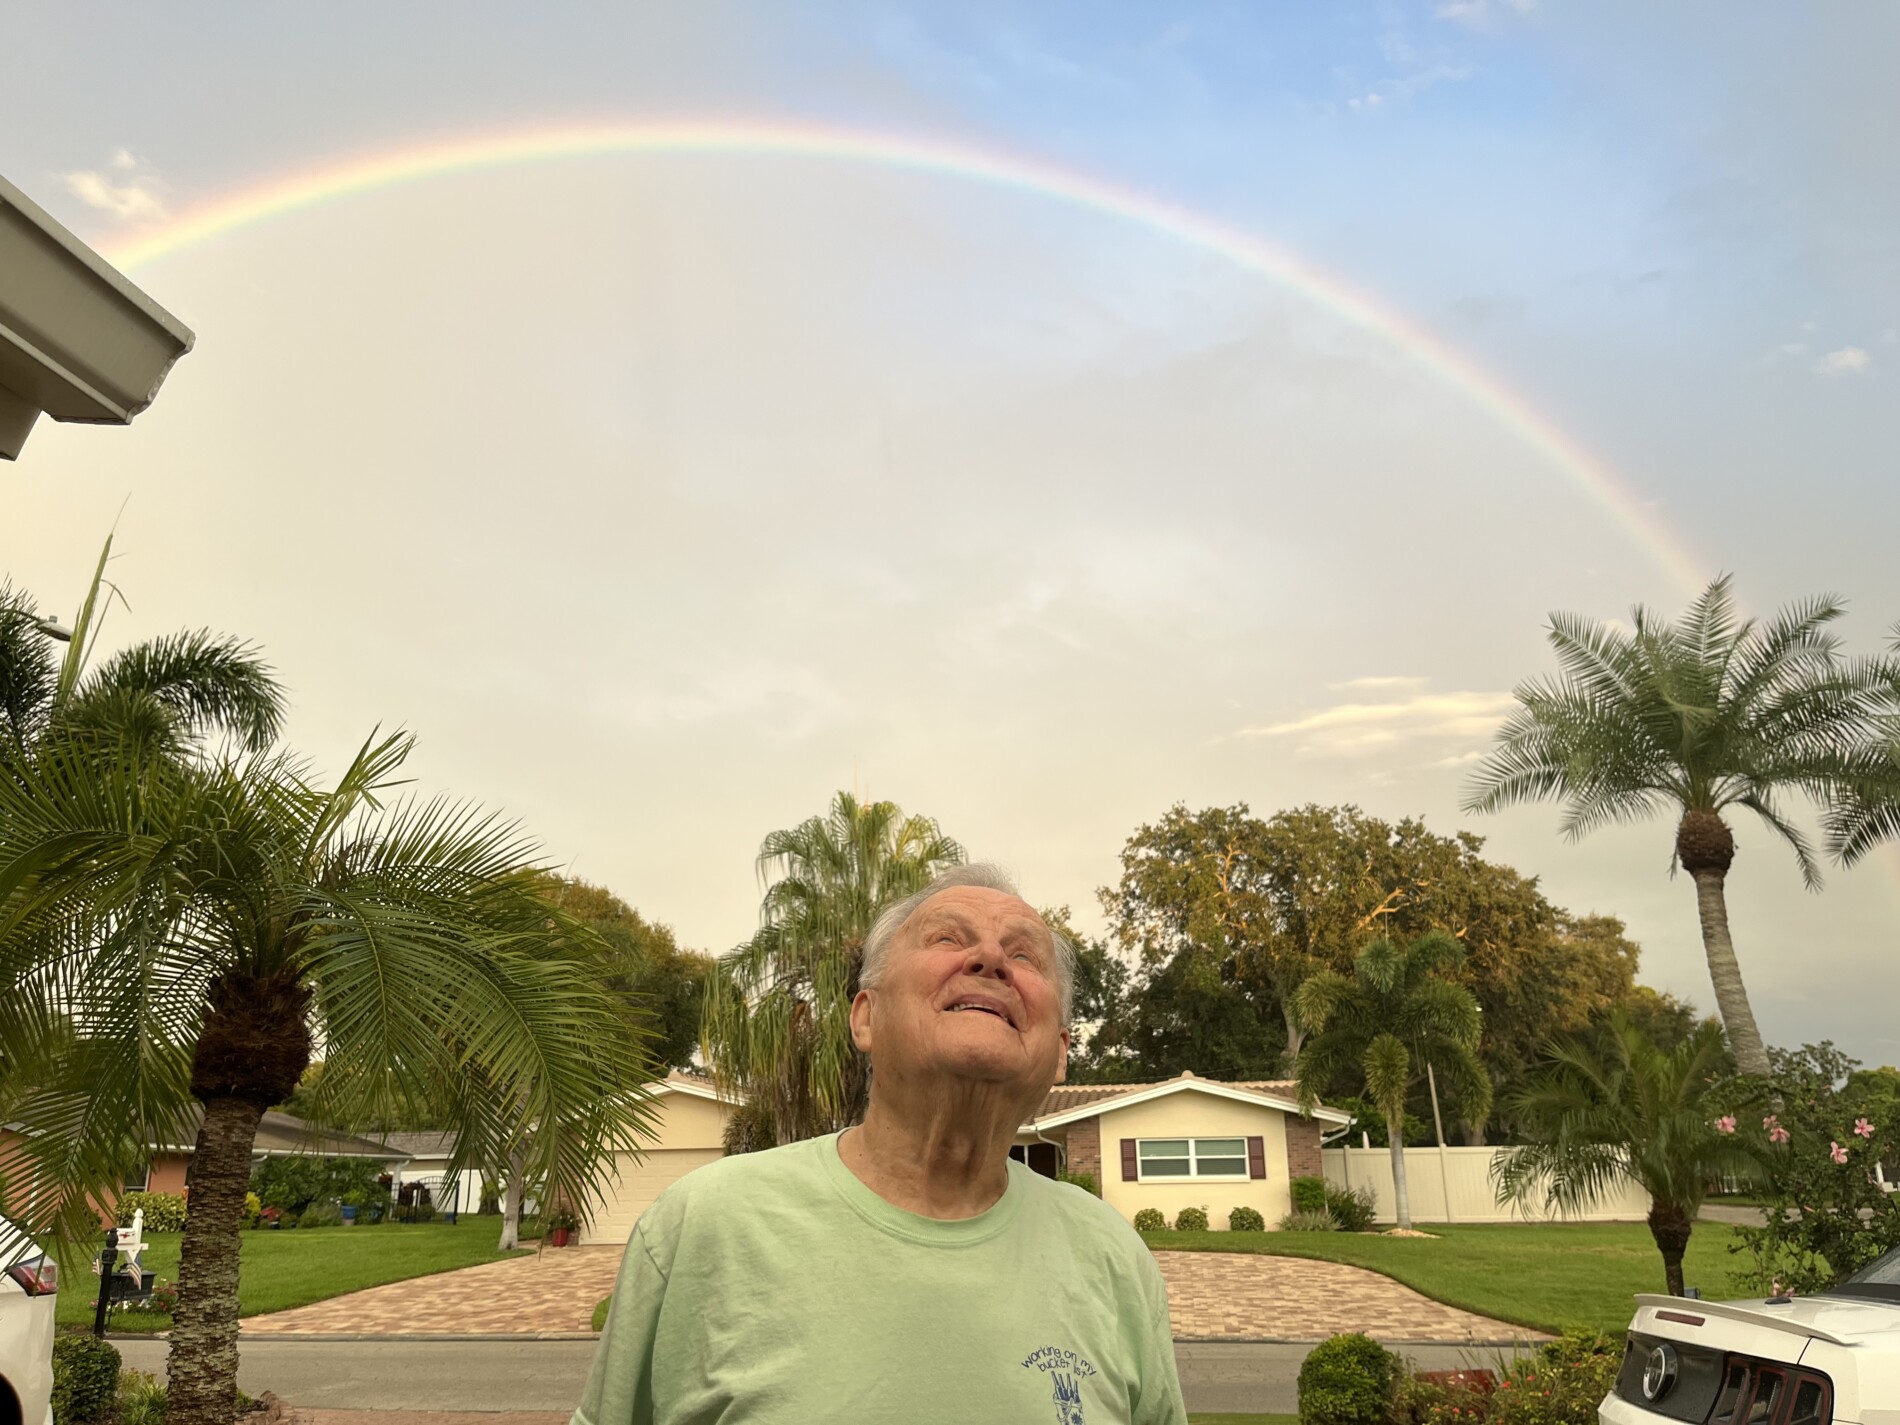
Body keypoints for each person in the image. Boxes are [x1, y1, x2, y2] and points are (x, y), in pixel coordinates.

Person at [573, 863, 1187, 1424]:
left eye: (1025, 955)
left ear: (1060, 1052)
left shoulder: (1115, 1258)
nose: (991, 958)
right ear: (865, 1017)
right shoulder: (701, 1226)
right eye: (947, 938)